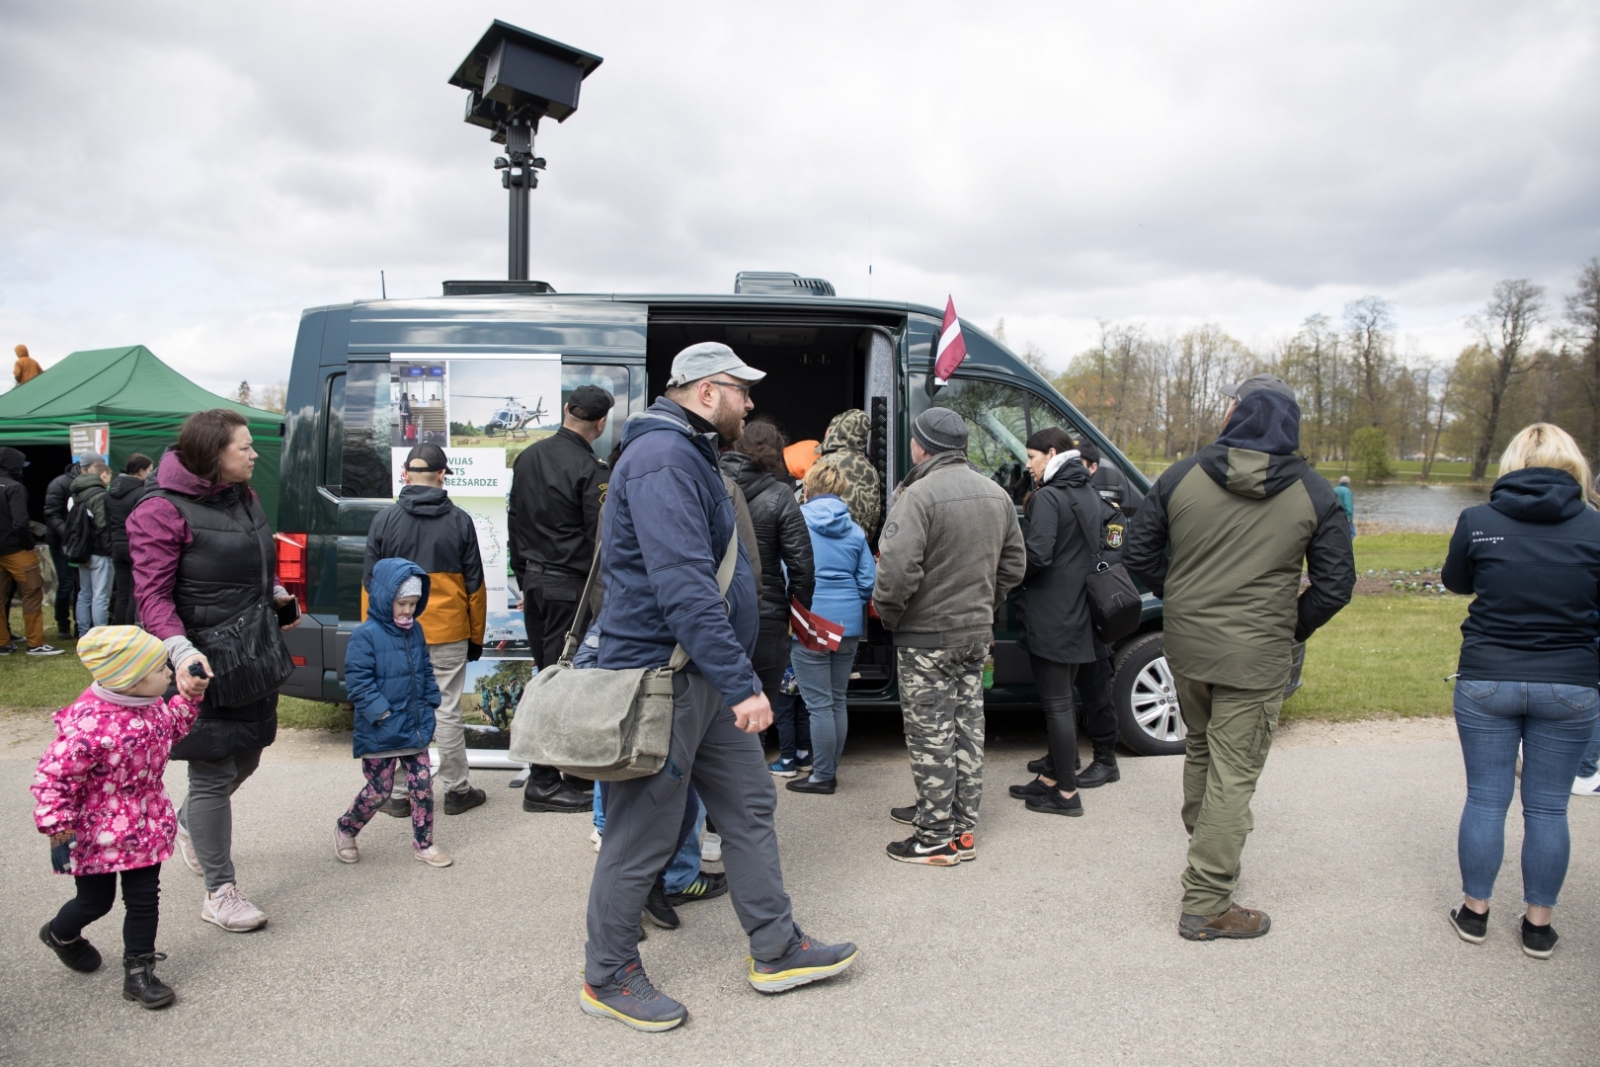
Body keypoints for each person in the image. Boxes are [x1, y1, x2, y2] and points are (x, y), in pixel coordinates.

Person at [582, 341, 857, 1032]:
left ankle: (776, 947)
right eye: (741, 389)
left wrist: (727, 676)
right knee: (641, 833)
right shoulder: (663, 458)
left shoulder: (684, 451)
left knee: (751, 806)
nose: (751, 401)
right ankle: (607, 972)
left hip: (701, 676)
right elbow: (682, 587)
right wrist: (743, 684)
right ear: (707, 392)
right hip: (665, 678)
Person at [1123, 373, 1353, 942]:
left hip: (1190, 646)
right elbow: (1336, 584)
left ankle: (1209, 850)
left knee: (1203, 749)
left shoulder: (1181, 476)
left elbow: (1137, 550)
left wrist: (1180, 598)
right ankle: (1206, 902)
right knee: (1233, 772)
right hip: (1254, 656)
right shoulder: (1316, 494)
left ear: (1236, 417)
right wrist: (1287, 627)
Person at [127, 409, 301, 934]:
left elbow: (250, 565)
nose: (253, 455)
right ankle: (219, 892)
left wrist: (273, 596)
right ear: (212, 456)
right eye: (243, 447)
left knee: (248, 754)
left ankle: (189, 825)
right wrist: (181, 653)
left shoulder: (242, 496)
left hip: (253, 653)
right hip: (201, 662)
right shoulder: (158, 510)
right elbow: (152, 597)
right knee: (213, 769)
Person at [1439, 423, 1600, 959]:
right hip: (1570, 682)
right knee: (1549, 809)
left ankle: (1474, 912)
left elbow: (1457, 580)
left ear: (1512, 463)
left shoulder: (1480, 521)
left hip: (1488, 675)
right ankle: (1537, 925)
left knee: (1486, 798)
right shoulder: (1595, 526)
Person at [874, 408, 1026, 865]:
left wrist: (891, 617)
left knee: (930, 735)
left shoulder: (918, 496)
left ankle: (934, 836)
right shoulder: (996, 494)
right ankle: (960, 827)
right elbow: (1015, 566)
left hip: (927, 638)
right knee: (966, 728)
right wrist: (985, 604)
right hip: (976, 635)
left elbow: (896, 573)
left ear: (922, 446)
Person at [33, 626, 200, 1008]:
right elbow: (53, 780)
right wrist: (59, 832)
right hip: (94, 834)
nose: (168, 674)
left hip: (145, 826)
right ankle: (60, 934)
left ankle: (139, 972)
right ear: (131, 679)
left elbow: (172, 728)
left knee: (144, 900)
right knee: (96, 903)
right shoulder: (88, 725)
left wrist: (190, 697)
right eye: (162, 669)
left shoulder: (152, 704)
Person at [362, 443, 488, 819]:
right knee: (447, 710)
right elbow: (475, 587)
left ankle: (398, 794)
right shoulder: (460, 520)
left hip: (397, 633)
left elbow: (370, 586)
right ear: (442, 475)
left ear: (405, 474)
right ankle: (457, 790)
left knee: (400, 710)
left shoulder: (383, 521)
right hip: (449, 630)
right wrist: (476, 637)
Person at [509, 384, 614, 815]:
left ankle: (565, 773)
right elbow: (601, 541)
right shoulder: (592, 469)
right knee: (563, 683)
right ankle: (544, 783)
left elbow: (513, 520)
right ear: (600, 422)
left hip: (535, 584)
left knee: (546, 675)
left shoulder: (529, 456)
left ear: (567, 411)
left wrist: (523, 578)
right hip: (571, 588)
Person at [1007, 428, 1112, 817]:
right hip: (1080, 613)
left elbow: (1039, 555)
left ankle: (1066, 793)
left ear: (1052, 453)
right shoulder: (1085, 491)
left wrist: (1008, 572)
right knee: (1064, 701)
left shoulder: (1050, 496)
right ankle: (1051, 777)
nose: (1029, 465)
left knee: (1058, 707)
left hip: (1052, 616)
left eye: (1032, 457)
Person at [335, 560, 453, 868]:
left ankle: (424, 844)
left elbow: (425, 669)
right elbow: (359, 683)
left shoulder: (416, 631)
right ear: (386, 599)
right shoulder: (366, 635)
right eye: (402, 603)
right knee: (380, 790)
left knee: (423, 786)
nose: (408, 611)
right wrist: (382, 714)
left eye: (414, 604)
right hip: (381, 728)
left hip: (414, 726)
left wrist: (430, 700)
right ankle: (346, 828)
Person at [718, 418, 816, 778]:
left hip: (716, 615)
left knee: (713, 714)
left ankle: (713, 811)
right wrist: (796, 610)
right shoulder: (781, 497)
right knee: (756, 715)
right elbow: (802, 567)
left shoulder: (711, 484)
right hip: (768, 617)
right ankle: (741, 804)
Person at [786, 462, 875, 795]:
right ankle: (829, 770)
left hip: (812, 622)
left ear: (808, 488)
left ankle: (823, 776)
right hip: (847, 624)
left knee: (819, 705)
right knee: (837, 701)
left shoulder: (797, 522)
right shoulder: (854, 530)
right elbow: (868, 581)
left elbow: (787, 572)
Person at [0, 447, 63, 656]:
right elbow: (20, 522)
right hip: (17, 550)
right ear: (14, 466)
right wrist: (28, 544)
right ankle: (35, 643)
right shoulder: (15, 487)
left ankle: (3, 642)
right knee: (32, 593)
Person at [810, 409, 883, 541]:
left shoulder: (823, 464)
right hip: (855, 547)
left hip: (820, 545)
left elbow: (804, 507)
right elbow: (874, 517)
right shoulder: (871, 471)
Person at [105, 454, 154, 626]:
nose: (151, 473)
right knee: (135, 592)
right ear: (141, 471)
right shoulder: (141, 493)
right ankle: (131, 632)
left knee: (121, 593)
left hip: (117, 545)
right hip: (135, 546)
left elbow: (107, 521)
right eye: (149, 469)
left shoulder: (110, 492)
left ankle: (120, 631)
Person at [69, 460, 115, 632]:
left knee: (84, 593)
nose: (110, 480)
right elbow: (103, 525)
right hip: (99, 551)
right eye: (109, 476)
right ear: (103, 474)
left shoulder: (76, 494)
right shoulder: (100, 495)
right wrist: (110, 549)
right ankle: (100, 635)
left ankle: (83, 633)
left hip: (81, 550)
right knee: (101, 595)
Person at [43, 460, 82, 640]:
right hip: (60, 543)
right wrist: (68, 533)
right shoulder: (60, 484)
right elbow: (51, 513)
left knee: (80, 585)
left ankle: (79, 626)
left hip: (79, 543)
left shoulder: (86, 484)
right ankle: (62, 624)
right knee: (66, 583)